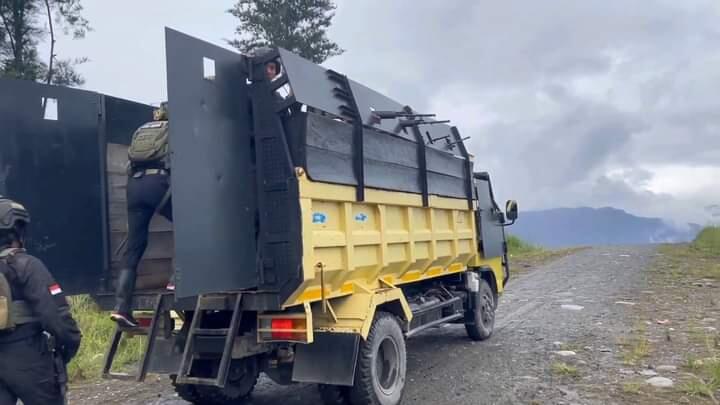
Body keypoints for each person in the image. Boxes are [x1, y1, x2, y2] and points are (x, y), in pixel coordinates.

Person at [0, 197, 81, 405]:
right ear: (16, 232)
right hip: (28, 357)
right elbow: (55, 316)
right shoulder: (26, 265)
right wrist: (70, 344)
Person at [111, 102, 173, 328]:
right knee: (189, 226)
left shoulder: (143, 130)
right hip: (159, 183)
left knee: (135, 245)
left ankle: (121, 307)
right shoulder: (175, 130)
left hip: (134, 187)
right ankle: (177, 282)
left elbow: (129, 163)